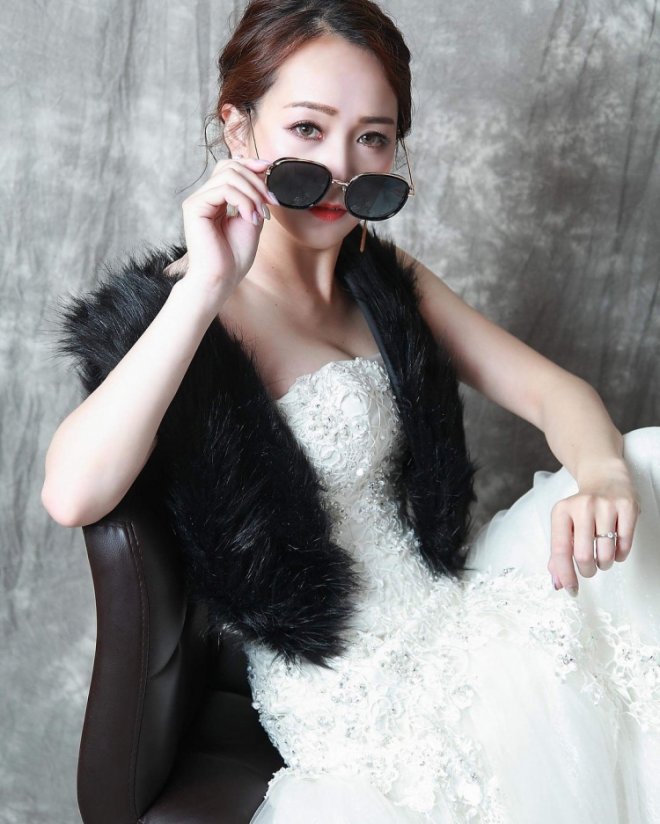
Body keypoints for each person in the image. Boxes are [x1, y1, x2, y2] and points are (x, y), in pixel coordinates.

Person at [42, 1, 660, 821]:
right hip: (351, 690)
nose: (339, 168)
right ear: (239, 131)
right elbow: (72, 494)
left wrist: (605, 474)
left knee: (648, 463)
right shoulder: (181, 309)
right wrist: (205, 290)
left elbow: (555, 392)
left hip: (456, 608)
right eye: (307, 129)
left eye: (371, 137)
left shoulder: (382, 278)